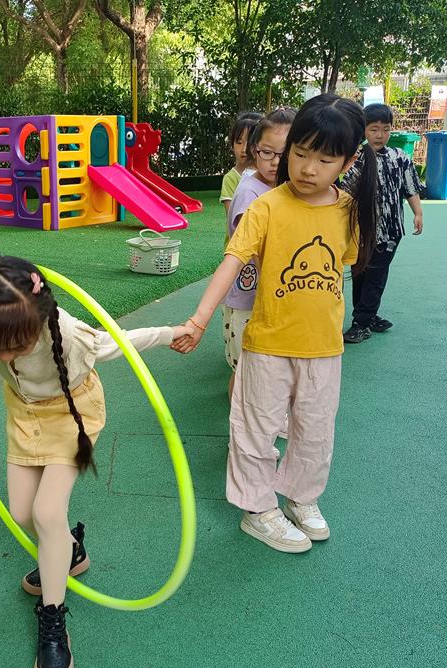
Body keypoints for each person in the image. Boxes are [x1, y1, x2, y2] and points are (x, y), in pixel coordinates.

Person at [0, 253, 189, 668]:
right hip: (25, 418)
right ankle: (69, 552)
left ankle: (54, 617)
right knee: (23, 512)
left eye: (16, 345)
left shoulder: (68, 333)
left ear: (39, 321)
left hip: (75, 414)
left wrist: (172, 333)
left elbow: (118, 341)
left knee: (46, 513)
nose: (5, 354)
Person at [172, 94, 377, 553]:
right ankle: (258, 509)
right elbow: (232, 260)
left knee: (315, 430)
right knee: (256, 428)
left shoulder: (347, 210)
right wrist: (198, 320)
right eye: (300, 154)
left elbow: (341, 263)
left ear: (347, 162)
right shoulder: (267, 206)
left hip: (324, 347)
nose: (308, 169)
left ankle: (302, 497)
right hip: (267, 344)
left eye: (325, 160)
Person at [221, 108, 296, 397]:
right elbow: (252, 248)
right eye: (268, 153)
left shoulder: (285, 187)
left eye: (284, 154)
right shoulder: (250, 191)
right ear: (255, 150)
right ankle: (239, 420)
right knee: (245, 369)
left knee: (266, 369)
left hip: (270, 294)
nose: (276, 161)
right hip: (250, 298)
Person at [341, 103, 424, 343]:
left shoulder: (400, 158)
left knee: (376, 274)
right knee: (360, 273)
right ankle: (367, 315)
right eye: (374, 129)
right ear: (364, 130)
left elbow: (410, 188)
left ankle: (362, 322)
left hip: (390, 231)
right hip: (361, 230)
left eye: (386, 129)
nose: (380, 135)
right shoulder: (357, 159)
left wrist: (417, 212)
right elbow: (344, 193)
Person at [220, 111, 263, 216]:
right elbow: (232, 217)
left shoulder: (267, 174)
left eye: (250, 142)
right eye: (239, 142)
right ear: (232, 144)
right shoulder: (230, 178)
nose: (244, 149)